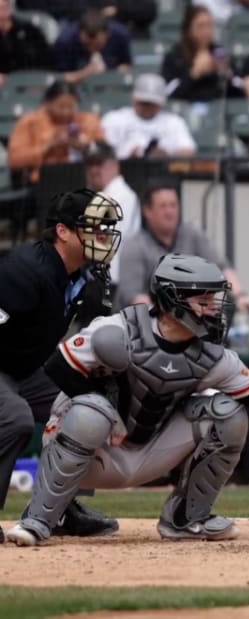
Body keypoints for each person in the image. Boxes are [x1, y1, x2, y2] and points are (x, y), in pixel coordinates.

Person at [5, 254, 249, 546]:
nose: (214, 307)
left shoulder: (209, 354)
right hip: (91, 450)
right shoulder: (118, 330)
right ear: (172, 300)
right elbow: (56, 367)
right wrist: (109, 406)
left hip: (146, 453)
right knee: (92, 412)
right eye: (204, 299)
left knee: (228, 412)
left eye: (215, 298)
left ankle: (186, 519)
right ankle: (39, 520)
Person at [0, 190, 123, 543]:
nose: (103, 237)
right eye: (93, 227)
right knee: (14, 418)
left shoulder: (89, 276)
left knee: (91, 405)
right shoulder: (24, 271)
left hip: (25, 368)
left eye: (106, 229)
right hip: (5, 369)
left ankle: (62, 508)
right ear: (63, 231)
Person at [116, 181, 249, 310]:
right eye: (163, 206)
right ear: (147, 211)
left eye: (173, 205)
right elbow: (134, 296)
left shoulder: (192, 234)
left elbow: (222, 269)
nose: (170, 212)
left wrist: (240, 296)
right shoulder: (134, 246)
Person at [7, 80, 105, 184]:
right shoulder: (29, 122)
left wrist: (85, 147)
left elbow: (105, 153)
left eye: (71, 107)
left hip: (84, 178)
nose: (66, 112)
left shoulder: (88, 120)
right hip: (46, 181)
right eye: (61, 107)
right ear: (47, 103)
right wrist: (48, 146)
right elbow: (14, 160)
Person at [100, 73, 197, 159]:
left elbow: (189, 151)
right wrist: (127, 156)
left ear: (161, 103)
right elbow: (102, 151)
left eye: (152, 103)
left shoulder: (174, 122)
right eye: (144, 102)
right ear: (134, 99)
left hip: (163, 173)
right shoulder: (115, 119)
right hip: (124, 171)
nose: (148, 107)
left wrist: (167, 154)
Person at [82, 141, 139, 286]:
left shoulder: (122, 196)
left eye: (99, 164)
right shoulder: (102, 195)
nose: (94, 170)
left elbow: (101, 242)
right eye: (90, 164)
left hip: (114, 280)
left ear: (115, 165)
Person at [160, 5, 233, 104]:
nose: (206, 31)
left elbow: (240, 90)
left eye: (209, 25)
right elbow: (166, 94)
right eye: (200, 26)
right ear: (188, 29)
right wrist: (194, 74)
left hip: (216, 110)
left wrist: (227, 76)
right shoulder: (174, 57)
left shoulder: (220, 53)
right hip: (184, 109)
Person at [54, 9, 133, 85]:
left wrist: (117, 74)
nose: (91, 49)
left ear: (107, 34)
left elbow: (127, 65)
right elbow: (61, 77)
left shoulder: (121, 36)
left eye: (97, 45)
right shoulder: (65, 41)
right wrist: (85, 73)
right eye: (87, 44)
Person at [0, 0, 53, 80]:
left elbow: (46, 62)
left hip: (33, 83)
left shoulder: (31, 32)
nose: (2, 13)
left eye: (4, 7)